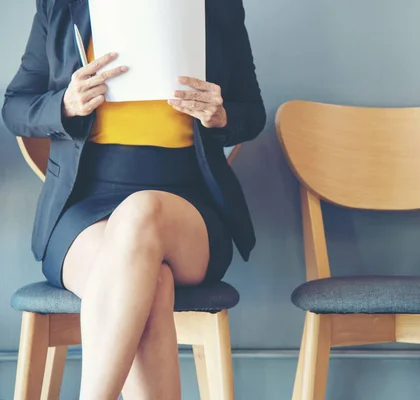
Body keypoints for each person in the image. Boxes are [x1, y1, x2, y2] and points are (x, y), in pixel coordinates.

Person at [2, 0, 266, 397]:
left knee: (141, 211)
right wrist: (65, 104)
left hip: (186, 209)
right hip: (83, 210)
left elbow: (254, 111)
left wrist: (222, 114)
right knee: (152, 285)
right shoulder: (60, 6)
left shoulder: (217, 5)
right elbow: (17, 106)